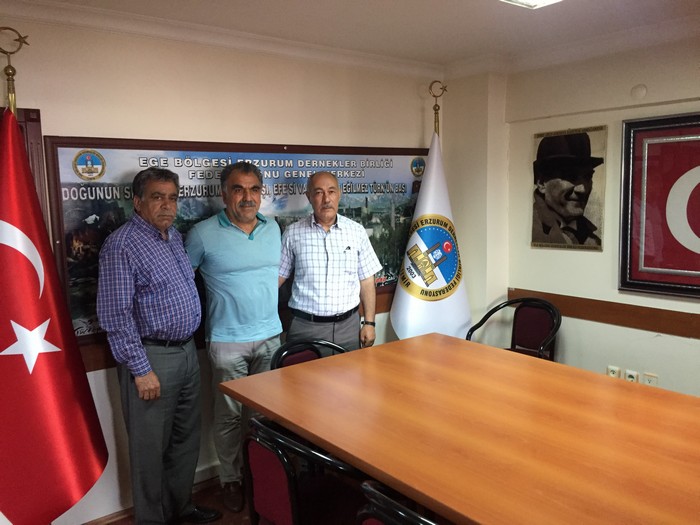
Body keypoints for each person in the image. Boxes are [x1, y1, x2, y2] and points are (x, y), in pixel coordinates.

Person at [96, 168, 220, 525]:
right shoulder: (121, 245)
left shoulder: (173, 237)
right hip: (151, 358)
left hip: (186, 352)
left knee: (185, 440)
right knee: (149, 450)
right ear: (137, 202)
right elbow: (115, 315)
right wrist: (140, 369)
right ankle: (152, 519)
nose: (167, 205)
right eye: (157, 197)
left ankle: (181, 509)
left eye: (172, 198)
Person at [184, 161, 282, 512]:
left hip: (271, 337)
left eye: (254, 189)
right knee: (228, 416)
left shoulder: (273, 228)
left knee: (264, 415)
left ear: (261, 193)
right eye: (238, 189)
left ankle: (262, 475)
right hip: (227, 341)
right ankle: (231, 479)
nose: (247, 197)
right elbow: (181, 283)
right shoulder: (202, 234)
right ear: (223, 194)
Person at [279, 170, 382, 350]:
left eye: (331, 191)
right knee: (302, 370)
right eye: (319, 192)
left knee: (350, 370)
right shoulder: (292, 233)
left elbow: (366, 280)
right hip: (305, 329)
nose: (326, 199)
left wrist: (369, 323)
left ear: (339, 194)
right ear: (309, 197)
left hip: (348, 328)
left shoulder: (356, 232)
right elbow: (277, 278)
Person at [532, 132, 604, 247]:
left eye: (587, 177)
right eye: (571, 177)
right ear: (541, 184)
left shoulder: (594, 240)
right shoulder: (526, 231)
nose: (583, 189)